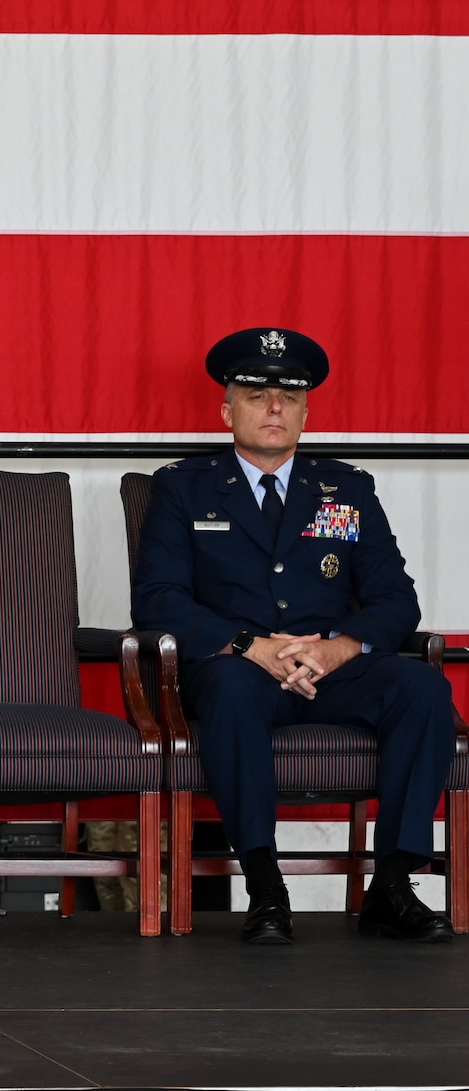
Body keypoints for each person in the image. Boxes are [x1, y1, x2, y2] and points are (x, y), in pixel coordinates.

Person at [133, 327, 453, 944]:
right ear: (227, 411)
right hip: (240, 666)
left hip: (329, 670)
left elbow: (395, 598)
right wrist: (253, 646)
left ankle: (392, 884)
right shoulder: (183, 487)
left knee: (421, 688)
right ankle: (265, 885)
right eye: (257, 395)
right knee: (228, 688)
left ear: (307, 413)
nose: (274, 407)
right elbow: (157, 598)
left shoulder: (347, 489)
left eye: (288, 397)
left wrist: (337, 648)